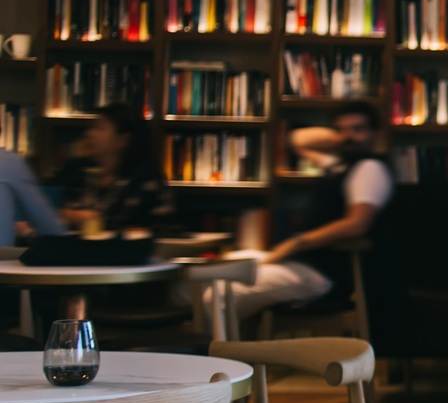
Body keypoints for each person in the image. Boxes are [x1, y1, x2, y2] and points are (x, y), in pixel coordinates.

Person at [174, 101, 393, 324]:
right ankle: (190, 347)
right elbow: (297, 140)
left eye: (358, 129)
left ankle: (214, 355)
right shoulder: (338, 165)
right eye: (341, 129)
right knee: (190, 282)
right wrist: (342, 138)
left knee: (218, 294)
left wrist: (295, 243)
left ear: (375, 134)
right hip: (298, 263)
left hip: (322, 274)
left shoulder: (370, 168)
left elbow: (357, 224)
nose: (348, 136)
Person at [52, 103, 175, 236]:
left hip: (126, 254)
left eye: (99, 128)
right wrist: (67, 215)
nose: (88, 134)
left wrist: (116, 232)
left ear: (123, 140)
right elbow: (41, 205)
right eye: (91, 128)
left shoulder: (146, 178)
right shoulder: (74, 170)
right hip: (72, 252)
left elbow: (165, 229)